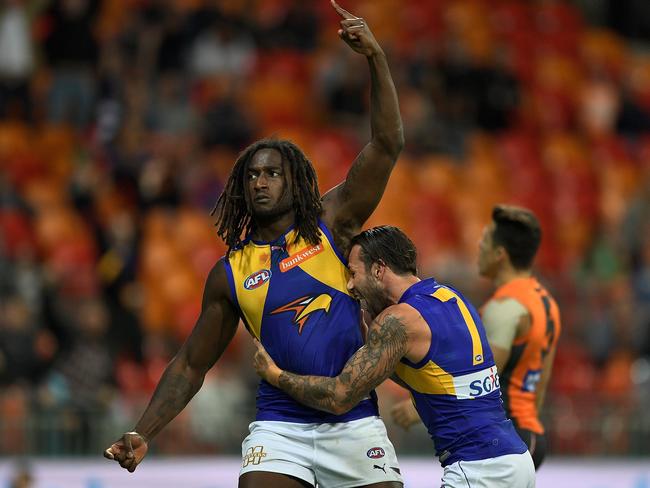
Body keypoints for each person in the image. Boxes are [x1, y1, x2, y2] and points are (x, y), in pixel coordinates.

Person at [104, 2, 405, 487]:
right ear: (241, 188)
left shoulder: (332, 223)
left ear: (295, 181)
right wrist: (145, 431)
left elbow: (387, 144)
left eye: (273, 173)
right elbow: (190, 364)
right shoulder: (229, 272)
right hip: (278, 429)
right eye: (252, 175)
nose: (261, 182)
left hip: (352, 424)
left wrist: (375, 56)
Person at [253, 226, 536, 488]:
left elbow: (339, 397)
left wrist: (275, 375)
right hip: (516, 460)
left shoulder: (398, 320)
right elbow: (434, 376)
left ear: (378, 270)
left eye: (353, 273)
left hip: (479, 469)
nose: (350, 286)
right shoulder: (451, 297)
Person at [391, 204, 560, 470]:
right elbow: (543, 378)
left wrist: (416, 409)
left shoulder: (504, 308)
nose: (479, 246)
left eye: (485, 240)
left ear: (500, 254)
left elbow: (480, 375)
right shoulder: (544, 301)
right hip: (530, 431)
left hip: (503, 435)